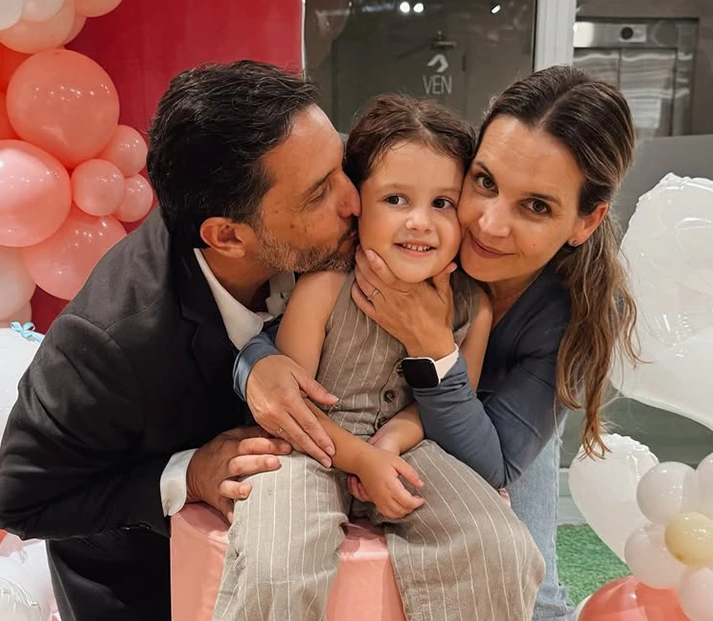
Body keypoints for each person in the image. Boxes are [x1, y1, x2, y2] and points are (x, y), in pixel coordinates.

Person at [234, 65, 641, 621]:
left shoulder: (567, 315)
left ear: (585, 222)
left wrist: (430, 343)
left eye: (537, 206)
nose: (489, 224)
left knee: (523, 568)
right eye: (485, 182)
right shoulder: (385, 247)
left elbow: (495, 465)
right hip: (347, 436)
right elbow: (280, 338)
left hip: (481, 436)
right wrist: (255, 366)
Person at [0, 61, 365, 621]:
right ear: (227, 236)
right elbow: (22, 501)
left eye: (340, 165)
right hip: (145, 587)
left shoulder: (320, 220)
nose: (354, 200)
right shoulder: (110, 341)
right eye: (319, 195)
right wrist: (187, 474)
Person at [213, 94, 543, 621]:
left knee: (501, 548)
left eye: (443, 203)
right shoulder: (324, 284)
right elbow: (293, 407)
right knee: (278, 559)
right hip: (309, 445)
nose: (420, 222)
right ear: (358, 203)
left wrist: (390, 442)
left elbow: (442, 403)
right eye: (396, 199)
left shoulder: (473, 307)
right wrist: (363, 458)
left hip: (411, 450)